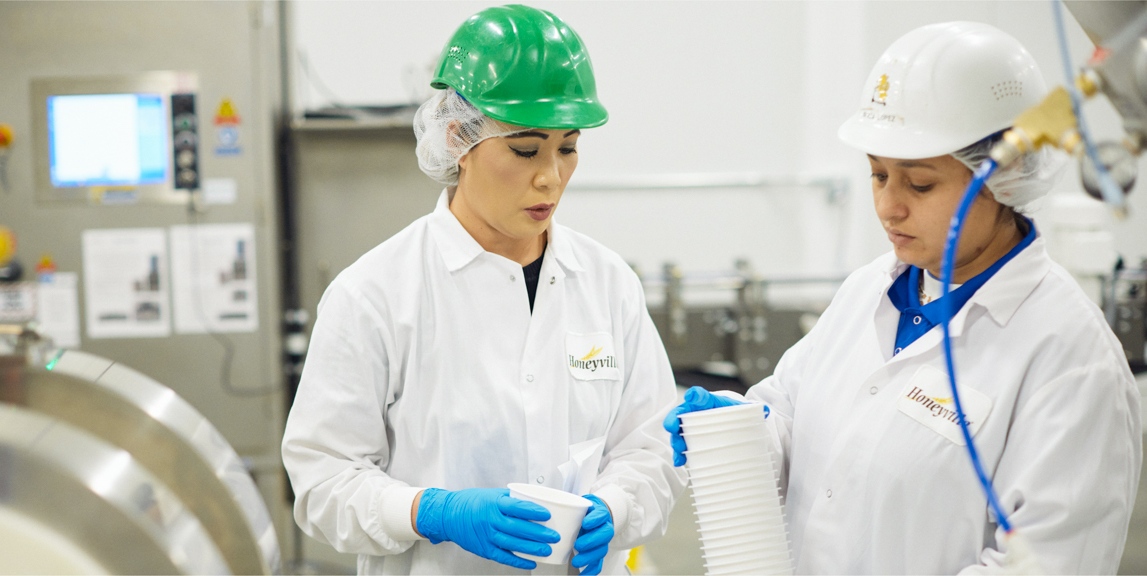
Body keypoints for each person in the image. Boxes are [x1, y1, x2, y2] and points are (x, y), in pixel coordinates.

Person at [665, 21, 1141, 574]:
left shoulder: (1072, 360)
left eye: (919, 185)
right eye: (877, 175)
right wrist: (740, 431)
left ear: (1004, 177)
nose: (889, 207)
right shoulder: (869, 290)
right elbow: (792, 422)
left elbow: (1045, 564)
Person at [282, 5, 684, 575]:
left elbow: (651, 451)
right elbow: (323, 484)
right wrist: (429, 511)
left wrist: (615, 507)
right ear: (458, 139)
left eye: (567, 147)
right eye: (525, 150)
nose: (551, 175)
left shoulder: (608, 283)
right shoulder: (375, 295)